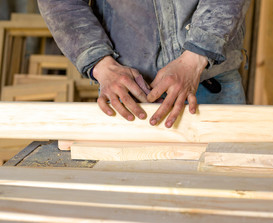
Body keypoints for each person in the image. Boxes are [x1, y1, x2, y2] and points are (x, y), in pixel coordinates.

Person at [37, 0, 250, 128]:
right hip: (128, 91)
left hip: (209, 80)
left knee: (225, 191)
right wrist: (100, 63)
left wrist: (196, 57)